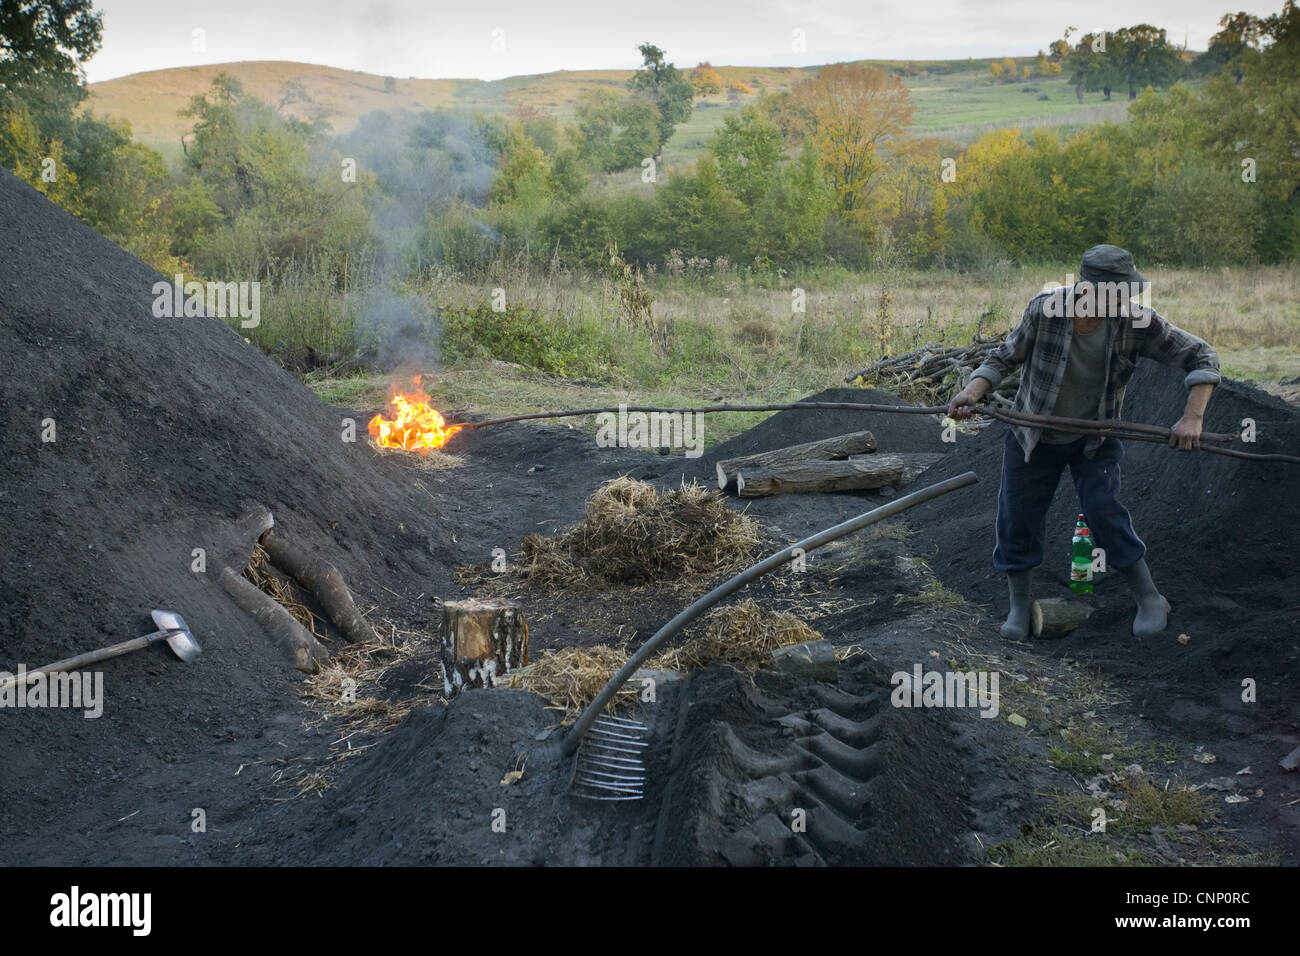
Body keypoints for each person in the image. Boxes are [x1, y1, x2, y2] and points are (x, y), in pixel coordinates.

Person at [947, 245, 1220, 639]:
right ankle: (1019, 607)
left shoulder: (1136, 322)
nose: (1126, 301)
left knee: (1102, 510)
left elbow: (1201, 355)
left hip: (1096, 438)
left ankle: (1149, 597)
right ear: (1088, 290)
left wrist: (1193, 417)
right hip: (1034, 435)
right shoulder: (1045, 312)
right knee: (1017, 518)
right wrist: (973, 391)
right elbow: (1004, 357)